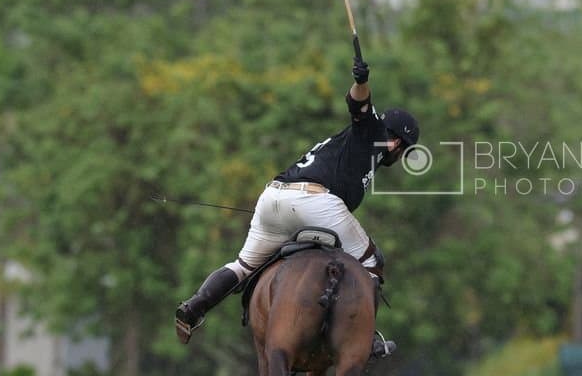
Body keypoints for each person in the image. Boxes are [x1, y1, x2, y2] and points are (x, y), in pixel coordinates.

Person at [174, 37, 419, 356]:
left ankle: (193, 308)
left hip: (273, 199)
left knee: (243, 266)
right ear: (398, 143)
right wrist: (361, 81)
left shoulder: (353, 147)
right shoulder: (373, 134)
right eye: (404, 150)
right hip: (314, 202)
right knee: (372, 261)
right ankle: (366, 336)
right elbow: (359, 105)